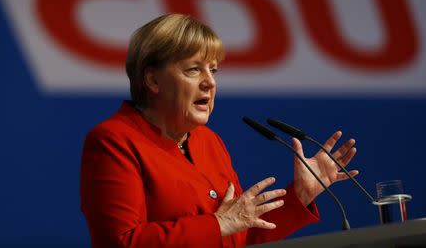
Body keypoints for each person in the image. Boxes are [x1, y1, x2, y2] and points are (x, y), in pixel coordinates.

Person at [80, 13, 359, 247]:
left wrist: (300, 195)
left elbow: (239, 237)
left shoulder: (208, 142)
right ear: (152, 80)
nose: (209, 83)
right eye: (193, 70)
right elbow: (121, 242)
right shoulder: (114, 140)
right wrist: (217, 224)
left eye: (213, 71)